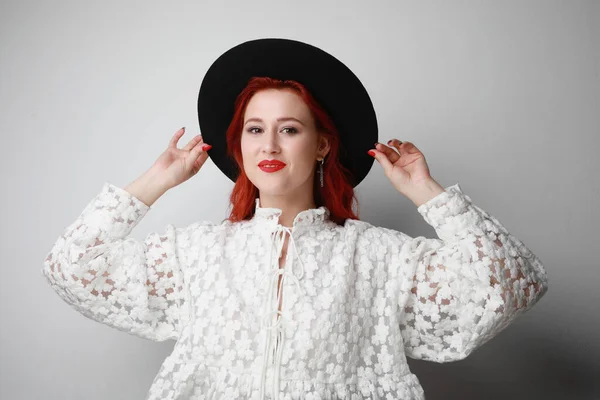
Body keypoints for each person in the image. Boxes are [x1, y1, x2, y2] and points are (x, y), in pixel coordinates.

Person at [42, 38, 548, 400]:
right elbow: (70, 267)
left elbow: (512, 284)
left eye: (289, 128)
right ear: (238, 147)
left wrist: (427, 192)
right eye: (254, 129)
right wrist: (156, 180)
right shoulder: (194, 254)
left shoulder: (379, 257)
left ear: (323, 143)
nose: (268, 144)